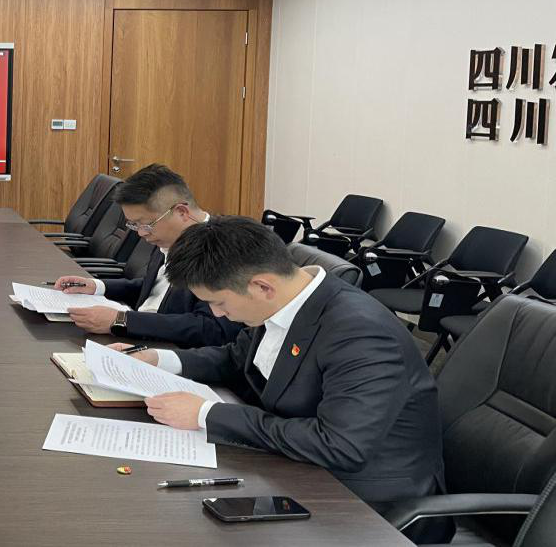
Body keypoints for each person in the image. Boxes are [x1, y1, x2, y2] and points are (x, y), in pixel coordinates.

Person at [112, 216, 447, 540]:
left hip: (364, 501)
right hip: (296, 464)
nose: (216, 313)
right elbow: (235, 357)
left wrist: (206, 414)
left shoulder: (360, 333)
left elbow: (340, 445)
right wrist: (158, 360)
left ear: (262, 286)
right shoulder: (285, 301)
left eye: (218, 302)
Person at [54, 164, 241, 347]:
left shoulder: (223, 250)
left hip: (169, 350)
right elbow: (156, 288)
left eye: (146, 225)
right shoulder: (168, 236)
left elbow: (212, 329)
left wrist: (123, 320)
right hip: (138, 337)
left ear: (181, 212)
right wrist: (98, 286)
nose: (141, 233)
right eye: (134, 225)